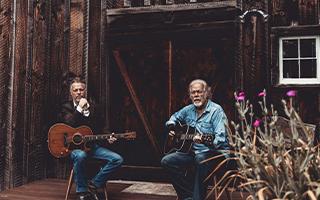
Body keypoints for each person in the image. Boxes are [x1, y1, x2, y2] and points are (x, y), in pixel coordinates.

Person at [161, 79, 229, 200]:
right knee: (167, 161)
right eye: (193, 93)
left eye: (199, 92)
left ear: (206, 93)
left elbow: (220, 140)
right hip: (193, 153)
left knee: (200, 158)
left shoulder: (216, 111)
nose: (196, 95)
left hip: (216, 155)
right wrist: (172, 126)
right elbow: (174, 117)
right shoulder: (188, 110)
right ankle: (188, 196)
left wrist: (204, 140)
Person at [58, 77, 123, 200]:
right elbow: (69, 124)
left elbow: (103, 127)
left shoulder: (94, 107)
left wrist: (108, 137)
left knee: (117, 159)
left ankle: (93, 186)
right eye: (76, 90)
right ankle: (82, 193)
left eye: (81, 90)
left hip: (92, 147)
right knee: (80, 156)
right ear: (71, 92)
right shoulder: (66, 108)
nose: (79, 93)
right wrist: (79, 109)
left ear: (84, 91)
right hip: (73, 149)